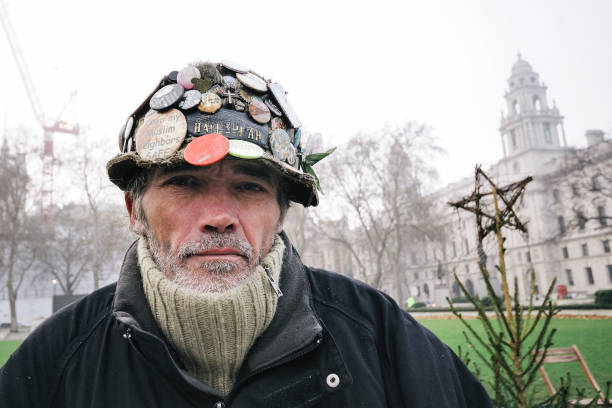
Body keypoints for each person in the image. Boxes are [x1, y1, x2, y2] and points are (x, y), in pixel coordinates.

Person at [0, 60, 492, 407]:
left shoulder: (379, 336)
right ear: (135, 208)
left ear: (279, 211)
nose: (219, 216)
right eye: (184, 182)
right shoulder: (57, 359)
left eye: (250, 186)